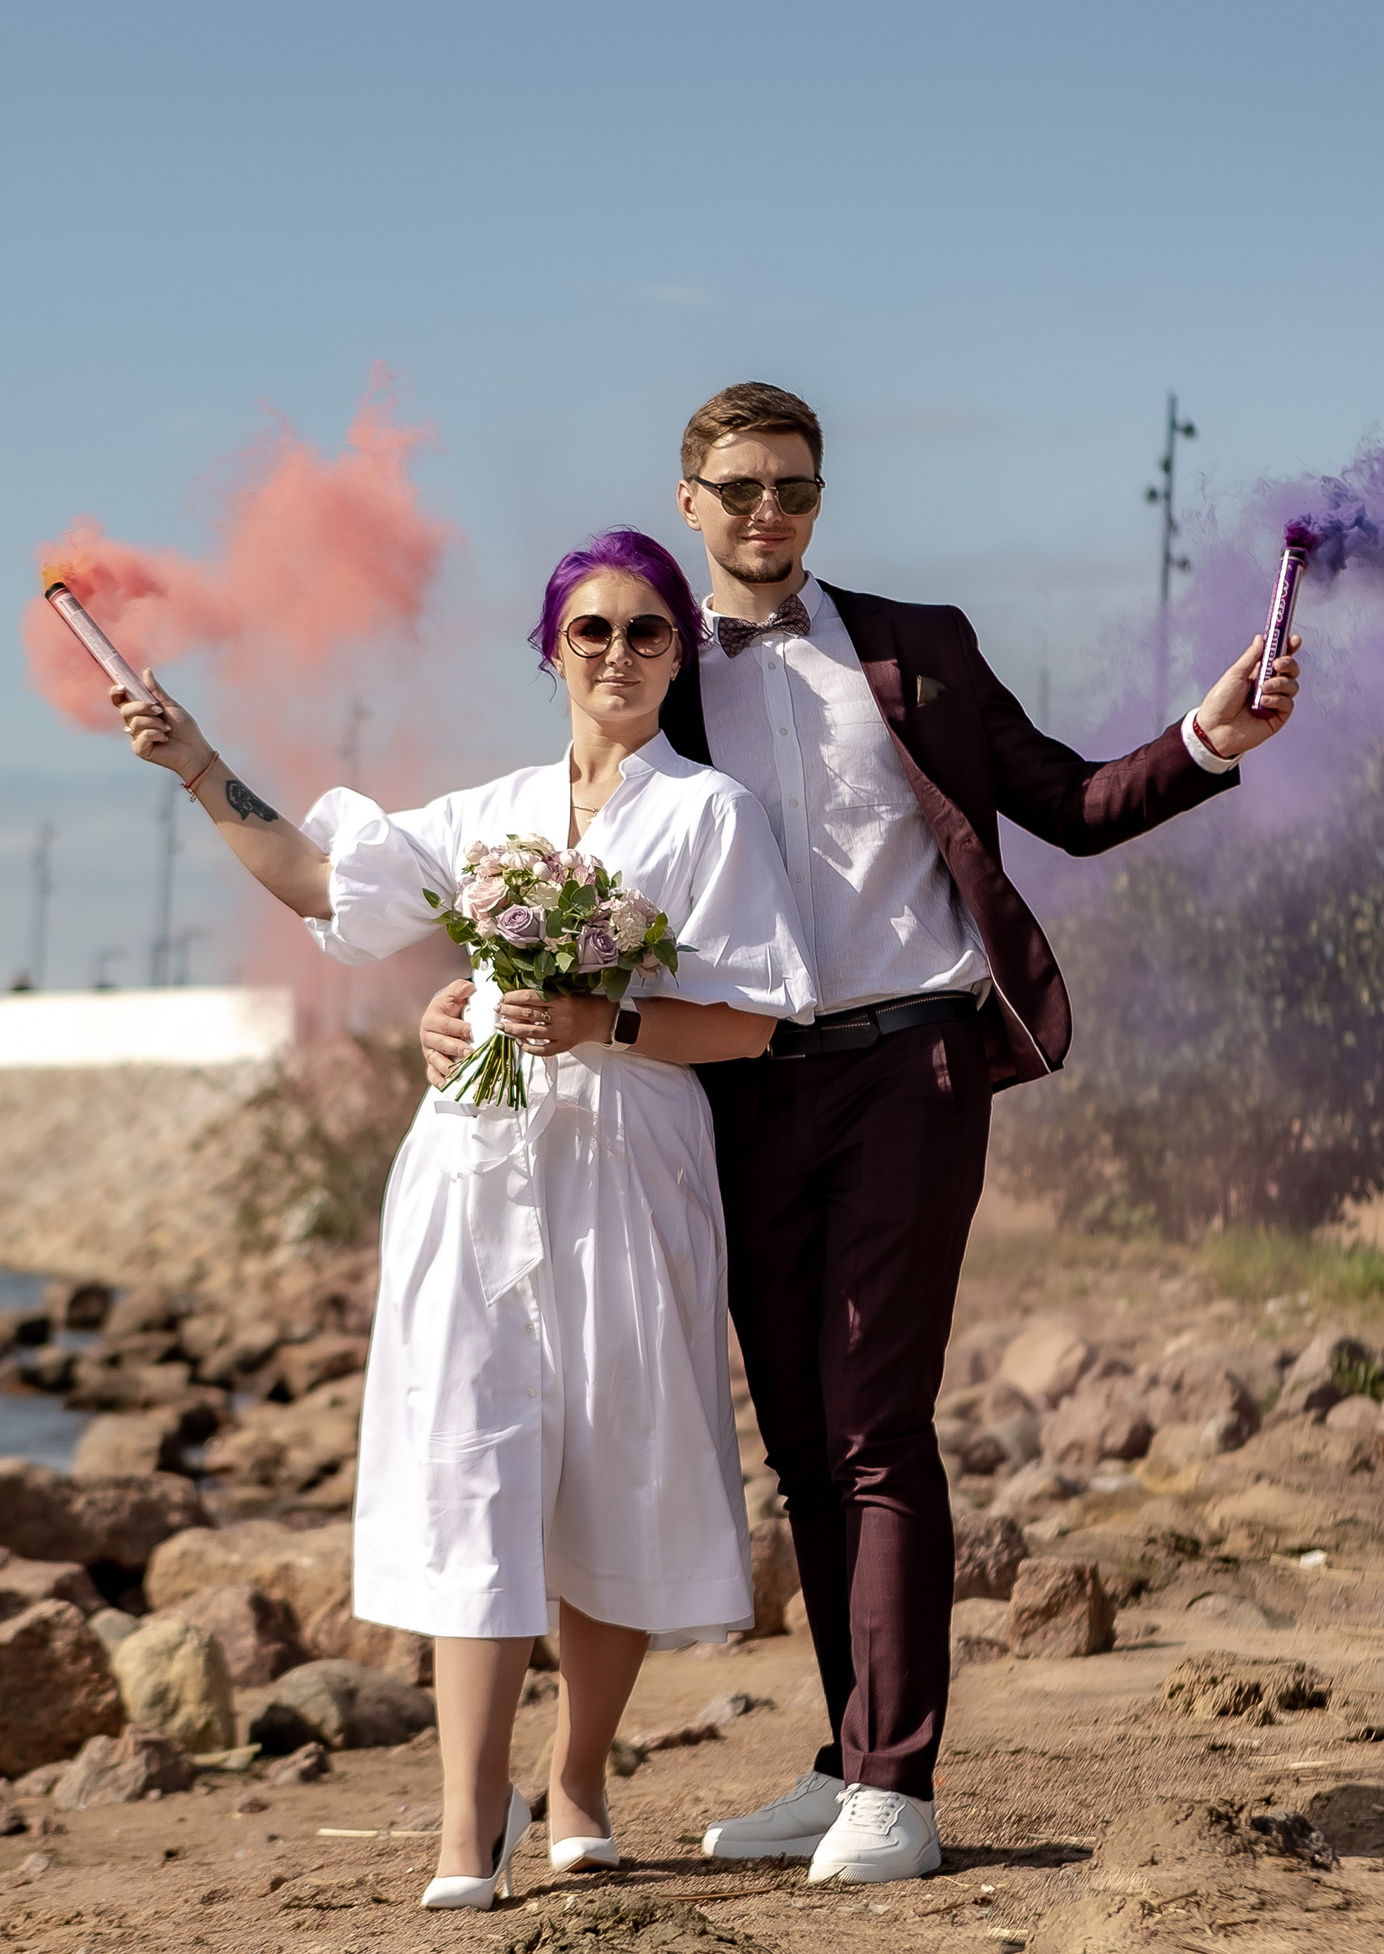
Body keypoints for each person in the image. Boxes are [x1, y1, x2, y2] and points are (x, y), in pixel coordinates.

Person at [419, 383, 1302, 1885]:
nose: (773, 514)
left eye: (799, 490)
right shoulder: (650, 663)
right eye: (745, 488)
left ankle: (901, 1783)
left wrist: (1209, 737)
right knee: (803, 1444)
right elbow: (573, 855)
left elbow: (1071, 804)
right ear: (689, 498)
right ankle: (844, 1762)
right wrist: (461, 990)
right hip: (738, 1088)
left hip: (913, 1062)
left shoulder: (920, 649)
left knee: (875, 1421)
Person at [112, 528, 818, 1911]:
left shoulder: (712, 817)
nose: (619, 654)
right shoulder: (488, 813)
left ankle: (579, 1776)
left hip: (633, 1167)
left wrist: (602, 1015)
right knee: (474, 1467)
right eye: (592, 631)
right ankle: (464, 1816)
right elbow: (329, 885)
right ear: (552, 648)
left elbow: (758, 1019)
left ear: (682, 653)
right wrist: (199, 764)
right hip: (473, 1170)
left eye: (650, 631)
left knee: (614, 1464)